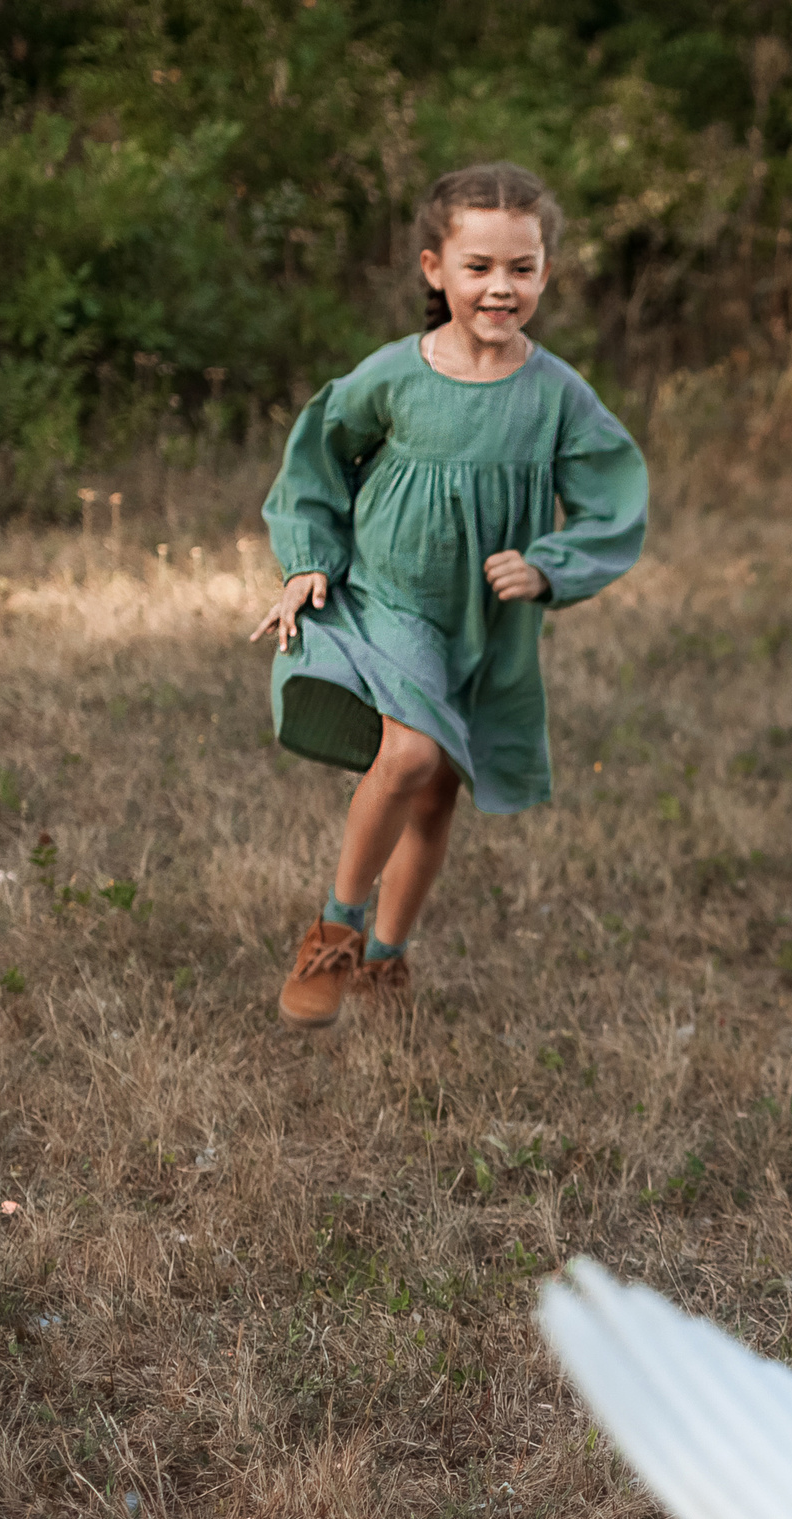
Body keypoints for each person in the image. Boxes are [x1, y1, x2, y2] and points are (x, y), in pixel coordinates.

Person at [248, 163, 647, 1029]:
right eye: (479, 267)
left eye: (522, 268)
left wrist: (549, 565)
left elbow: (614, 500)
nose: (500, 287)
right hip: (389, 599)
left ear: (545, 272)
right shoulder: (396, 374)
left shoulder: (557, 396)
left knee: (436, 790)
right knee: (409, 758)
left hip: (484, 626)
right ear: (435, 267)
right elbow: (317, 454)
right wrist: (307, 557)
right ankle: (337, 928)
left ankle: (388, 957)